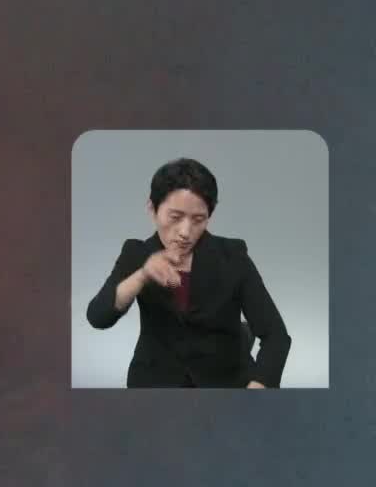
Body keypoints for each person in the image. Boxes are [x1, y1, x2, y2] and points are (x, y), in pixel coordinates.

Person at [84, 157, 291, 388]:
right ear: (152, 209)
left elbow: (276, 336)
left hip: (227, 383)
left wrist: (258, 387)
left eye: (198, 220)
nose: (185, 232)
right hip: (155, 384)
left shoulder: (233, 257)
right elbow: (98, 317)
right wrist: (141, 276)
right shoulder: (136, 253)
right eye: (175, 217)